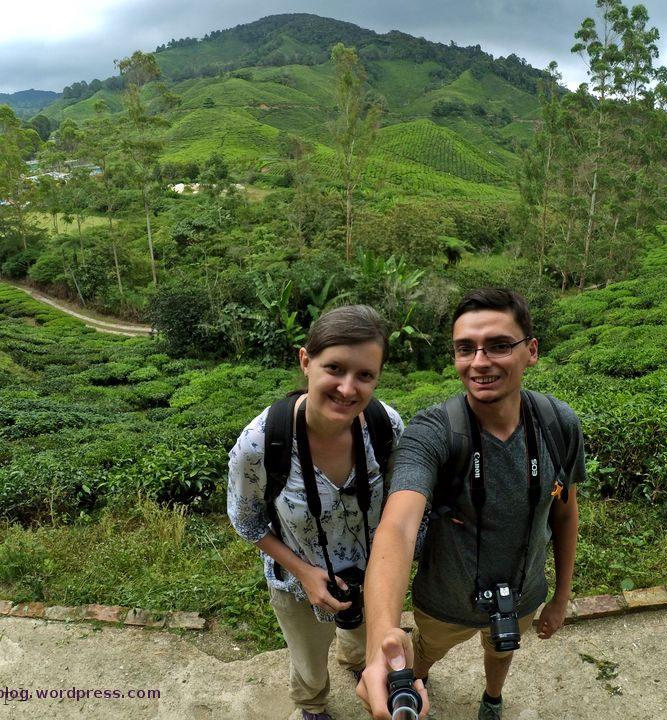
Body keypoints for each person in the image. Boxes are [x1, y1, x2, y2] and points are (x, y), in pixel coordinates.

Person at [358, 288, 586, 720]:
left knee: (501, 652)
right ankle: (414, 678)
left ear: (531, 351)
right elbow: (398, 528)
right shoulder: (434, 431)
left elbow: (565, 511)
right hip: (443, 602)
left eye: (499, 346)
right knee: (426, 650)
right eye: (466, 349)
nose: (479, 363)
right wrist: (380, 643)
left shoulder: (559, 424)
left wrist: (560, 597)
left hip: (521, 595)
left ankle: (492, 699)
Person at [228, 305, 404, 720]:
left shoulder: (385, 427)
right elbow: (246, 521)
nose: (348, 388)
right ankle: (312, 705)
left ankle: (357, 659)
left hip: (371, 575)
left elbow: (404, 500)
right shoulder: (261, 444)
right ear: (305, 360)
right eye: (335, 368)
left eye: (365, 375)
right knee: (308, 660)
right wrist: (305, 574)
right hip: (297, 584)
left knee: (363, 640)